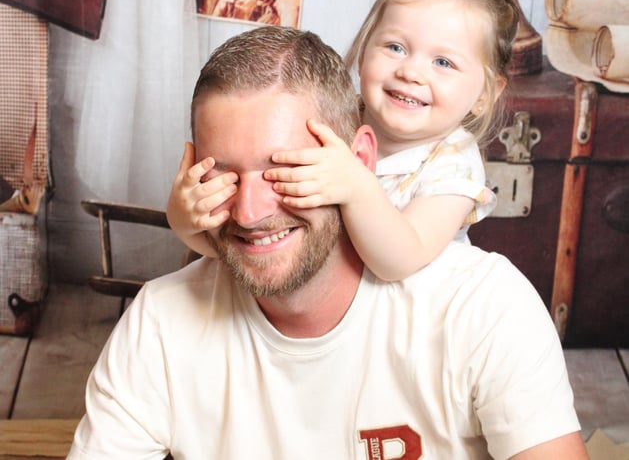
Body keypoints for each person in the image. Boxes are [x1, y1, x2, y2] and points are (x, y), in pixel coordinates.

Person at [68, 26, 587, 459]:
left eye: (283, 172)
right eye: (223, 177)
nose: (249, 213)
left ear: (359, 162)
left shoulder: (483, 307)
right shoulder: (159, 322)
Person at [169, 0, 511, 282]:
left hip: (402, 311)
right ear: (363, 52)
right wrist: (186, 223)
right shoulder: (331, 118)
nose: (410, 72)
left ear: (484, 94)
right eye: (395, 47)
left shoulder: (454, 166)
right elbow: (240, 245)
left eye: (443, 63)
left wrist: (357, 187)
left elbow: (398, 263)